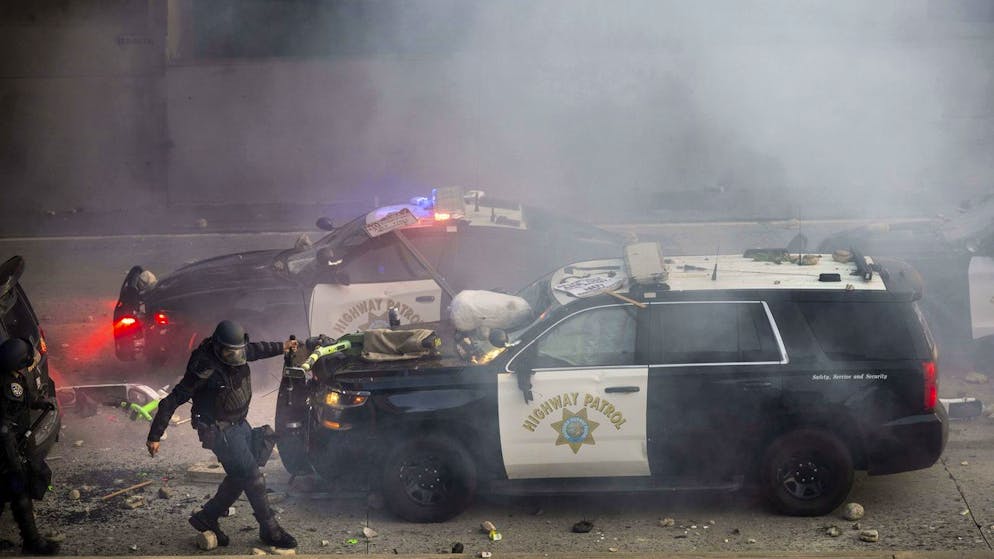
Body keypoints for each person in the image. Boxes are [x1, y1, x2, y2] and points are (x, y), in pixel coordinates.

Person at [146, 320, 298, 549]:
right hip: (217, 430)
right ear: (218, 347)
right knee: (252, 476)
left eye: (238, 351)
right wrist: (155, 436)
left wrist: (284, 346)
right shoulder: (203, 367)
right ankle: (270, 529)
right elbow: (171, 400)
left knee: (241, 473)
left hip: (237, 423)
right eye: (230, 352)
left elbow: (256, 349)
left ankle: (207, 516)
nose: (236, 357)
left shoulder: (237, 350)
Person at [0, 337, 58, 555]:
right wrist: (14, 461)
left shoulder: (15, 378)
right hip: (8, 449)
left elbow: (23, 402)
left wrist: (38, 403)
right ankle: (32, 542)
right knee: (20, 493)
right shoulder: (9, 386)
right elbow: (4, 428)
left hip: (13, 446)